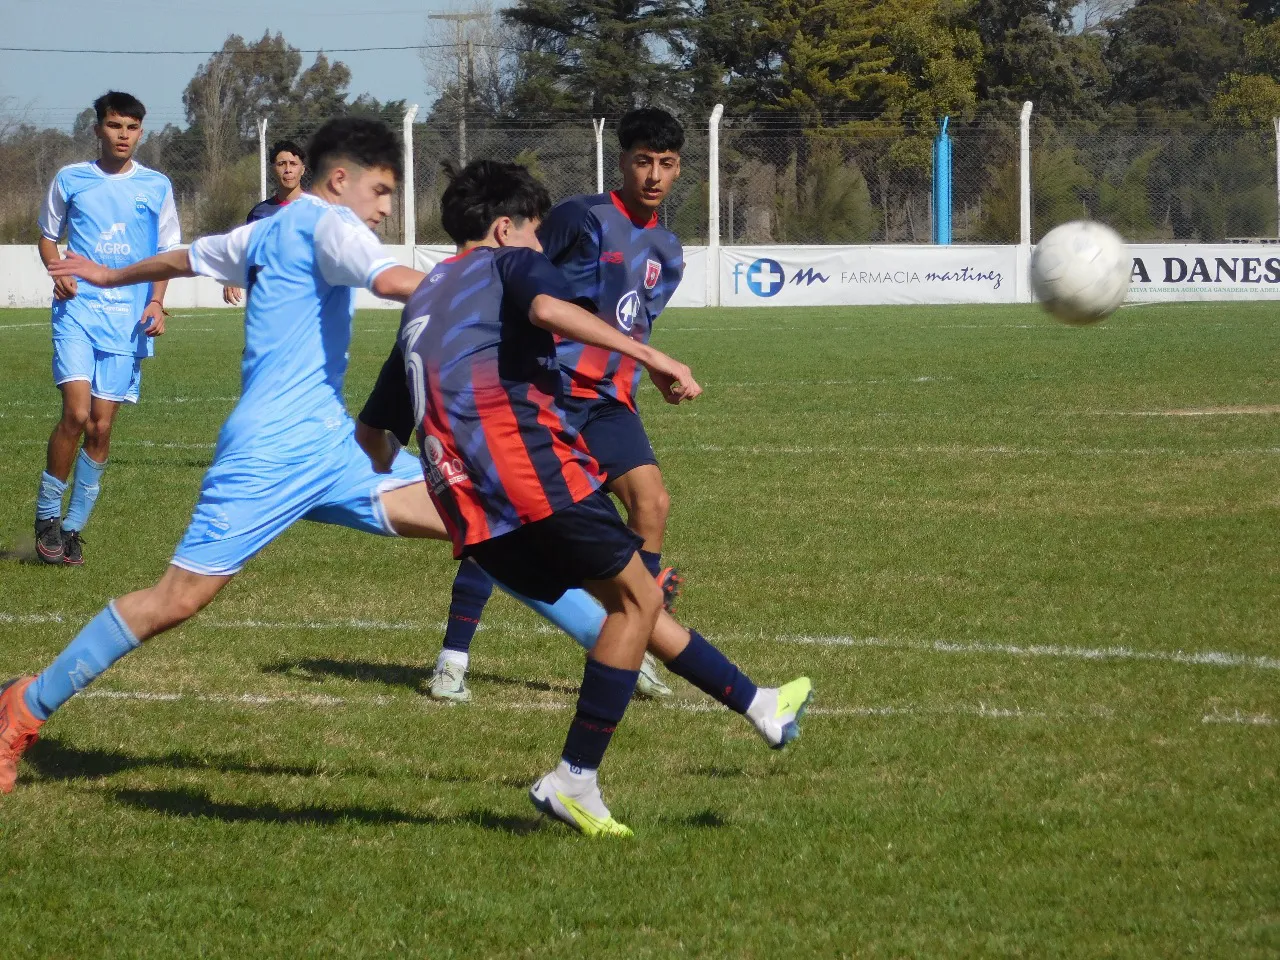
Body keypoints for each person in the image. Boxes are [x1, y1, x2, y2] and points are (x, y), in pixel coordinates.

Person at [0, 118, 608, 798]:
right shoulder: (328, 223)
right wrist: (502, 285)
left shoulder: (266, 228)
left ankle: (613, 639)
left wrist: (111, 273)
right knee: (174, 600)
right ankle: (22, 708)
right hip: (267, 456)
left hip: (333, 448)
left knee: (483, 522)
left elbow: (186, 258)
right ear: (340, 180)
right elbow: (398, 281)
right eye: (380, 191)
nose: (384, 209)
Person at [358, 158, 813, 837]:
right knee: (638, 599)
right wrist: (654, 357)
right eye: (536, 235)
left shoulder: (423, 302)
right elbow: (547, 306)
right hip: (532, 473)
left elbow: (375, 438)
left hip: (471, 509)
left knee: (632, 603)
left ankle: (760, 705)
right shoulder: (509, 264)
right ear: (506, 228)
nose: (543, 248)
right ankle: (575, 779)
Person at [425, 107, 689, 705]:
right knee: (508, 519)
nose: (652, 174)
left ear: (678, 171)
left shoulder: (669, 250)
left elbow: (636, 325)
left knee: (652, 502)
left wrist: (655, 372)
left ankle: (636, 639)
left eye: (665, 164)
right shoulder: (582, 216)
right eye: (642, 161)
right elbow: (514, 273)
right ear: (621, 161)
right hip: (547, 390)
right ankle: (453, 658)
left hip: (609, 399)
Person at [34, 90, 180, 566]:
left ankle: (74, 528)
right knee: (75, 416)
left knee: (101, 427)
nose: (124, 135)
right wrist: (60, 275)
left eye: (132, 127)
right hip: (77, 312)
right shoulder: (71, 179)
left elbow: (166, 253)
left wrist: (157, 301)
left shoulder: (156, 185)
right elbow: (48, 236)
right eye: (115, 125)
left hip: (127, 321)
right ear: (97, 128)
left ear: (141, 131)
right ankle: (46, 516)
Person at [222, 140, 307, 306]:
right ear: (273, 169)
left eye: (293, 164)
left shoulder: (319, 210)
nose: (288, 170)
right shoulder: (260, 213)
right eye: (281, 164)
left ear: (302, 169)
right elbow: (247, 253)